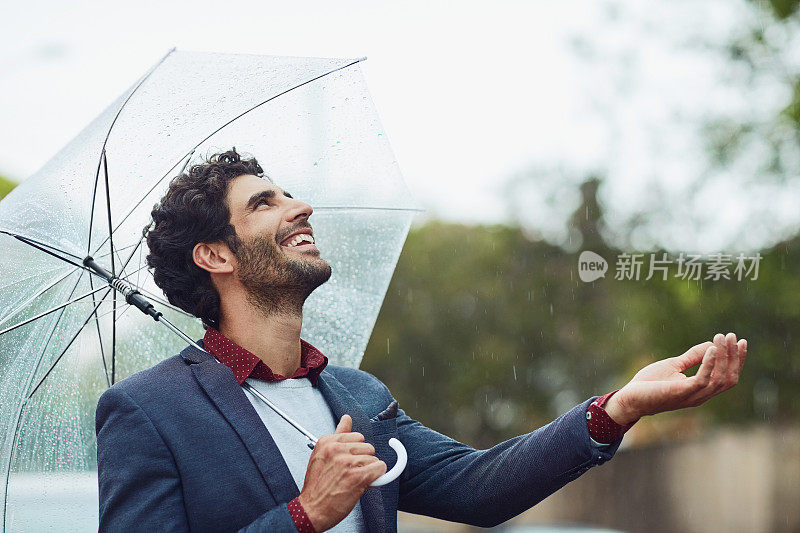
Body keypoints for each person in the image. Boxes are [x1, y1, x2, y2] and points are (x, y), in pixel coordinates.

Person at [95, 149, 747, 533]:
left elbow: (479, 486)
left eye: (289, 194)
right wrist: (305, 513)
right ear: (214, 254)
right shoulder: (147, 413)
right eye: (265, 203)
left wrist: (621, 407)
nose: (301, 207)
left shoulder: (357, 392)